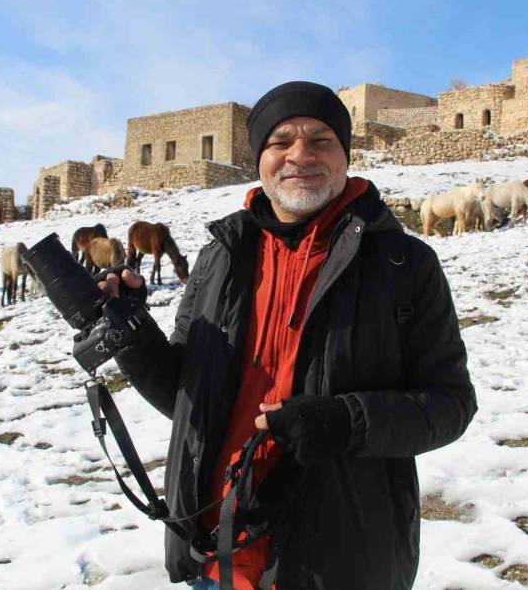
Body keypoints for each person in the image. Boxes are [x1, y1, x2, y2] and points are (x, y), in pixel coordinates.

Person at [101, 81, 477, 590]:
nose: (300, 155)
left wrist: (346, 422)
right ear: (259, 158)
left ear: (345, 154)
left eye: (320, 140)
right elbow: (188, 399)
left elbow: (450, 403)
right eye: (281, 142)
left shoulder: (405, 265)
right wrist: (132, 335)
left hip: (338, 561)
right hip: (218, 556)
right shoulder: (221, 257)